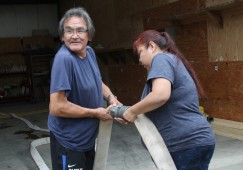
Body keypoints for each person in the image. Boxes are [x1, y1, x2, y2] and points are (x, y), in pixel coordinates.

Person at [121, 30, 216, 170]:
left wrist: (132, 111)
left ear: (152, 46)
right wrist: (134, 114)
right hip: (192, 142)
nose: (140, 59)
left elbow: (160, 95)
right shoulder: (172, 61)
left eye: (140, 52)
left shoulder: (161, 59)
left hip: (185, 144)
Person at [48, 7, 121, 170]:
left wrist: (111, 97)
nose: (75, 36)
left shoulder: (89, 52)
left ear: (89, 36)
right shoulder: (64, 59)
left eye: (80, 31)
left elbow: (97, 81)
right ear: (62, 36)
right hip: (69, 142)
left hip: (86, 140)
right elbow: (56, 106)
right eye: (69, 31)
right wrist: (96, 112)